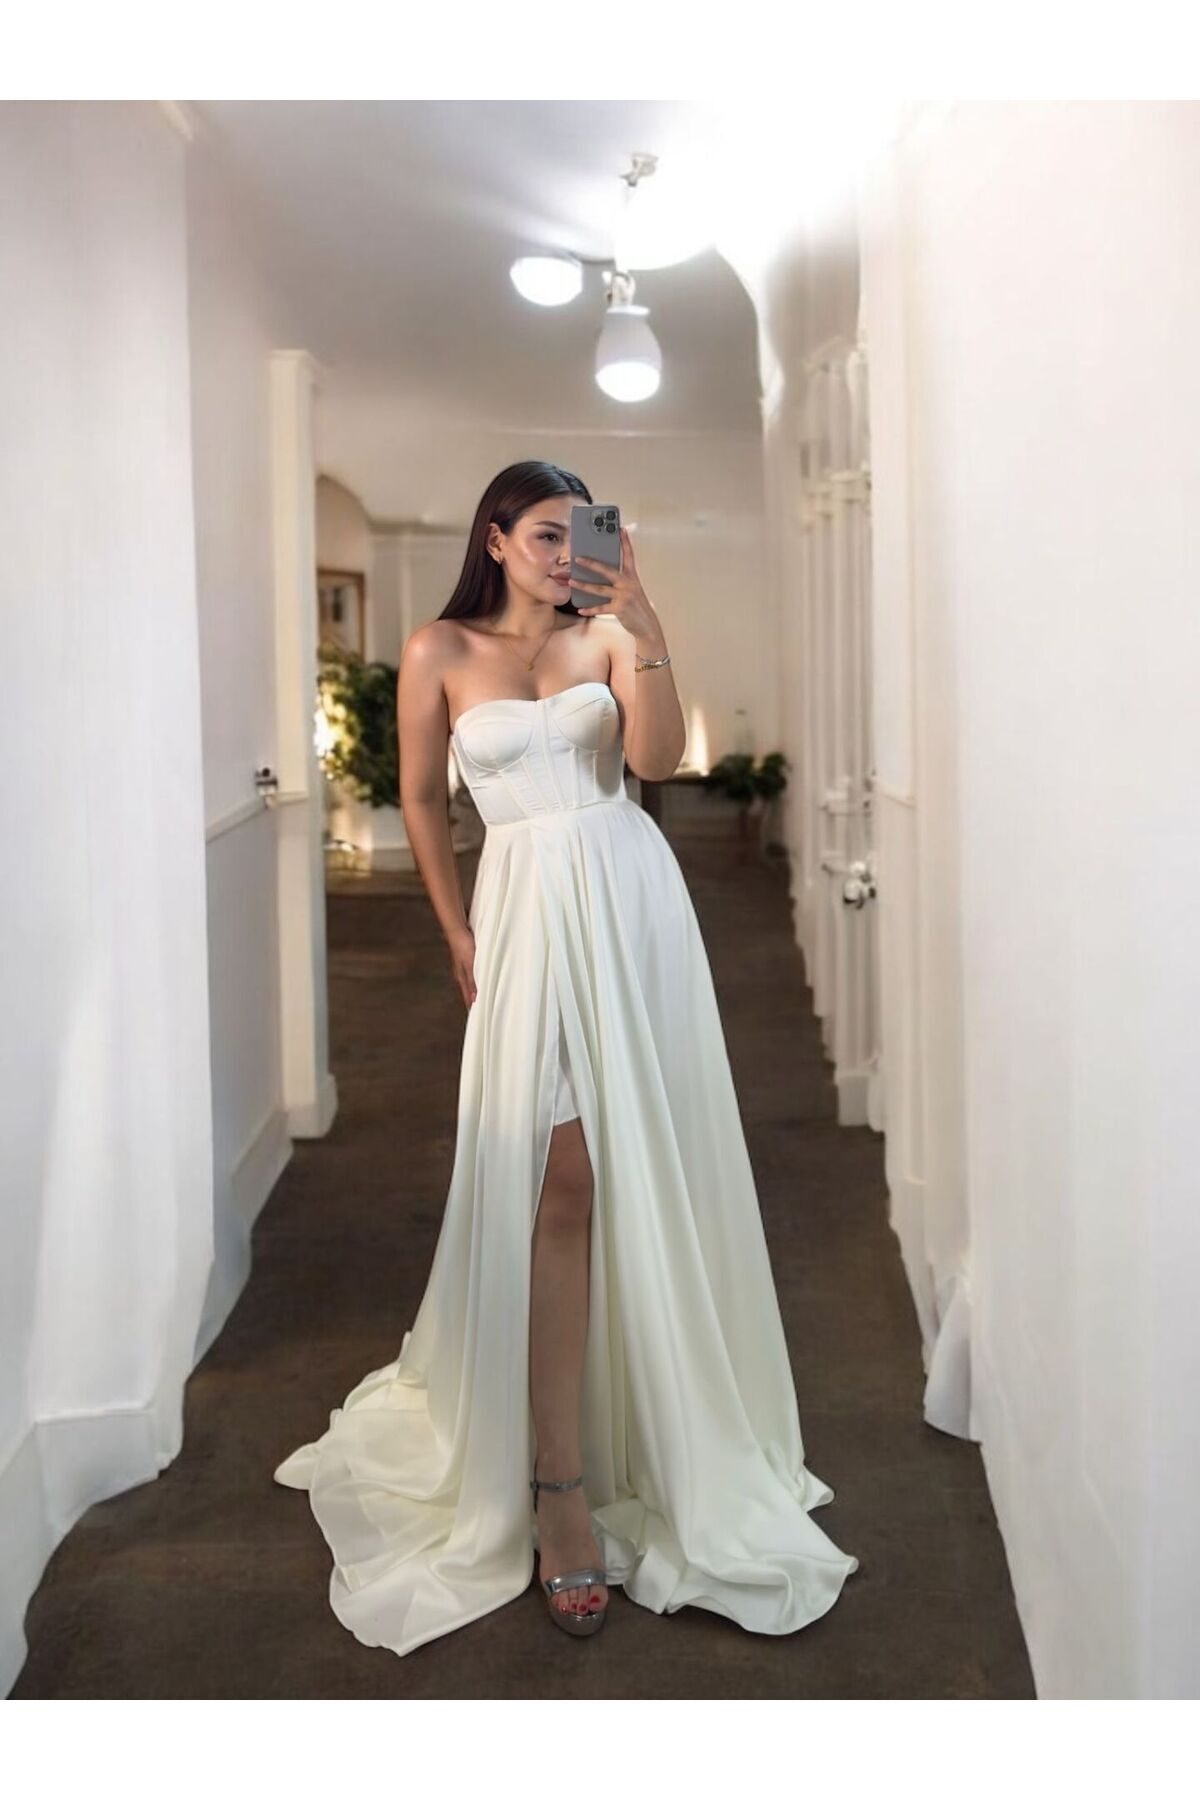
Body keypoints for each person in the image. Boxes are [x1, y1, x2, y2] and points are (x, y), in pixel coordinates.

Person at [274, 461, 859, 1653]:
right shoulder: (440, 650)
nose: (562, 554)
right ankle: (557, 1487)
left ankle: (628, 1436)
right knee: (560, 1176)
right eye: (542, 534)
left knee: (624, 1167)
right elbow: (423, 799)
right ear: (494, 538)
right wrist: (453, 930)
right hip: (524, 913)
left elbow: (658, 762)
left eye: (577, 534)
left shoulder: (607, 634)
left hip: (630, 906)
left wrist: (644, 618)